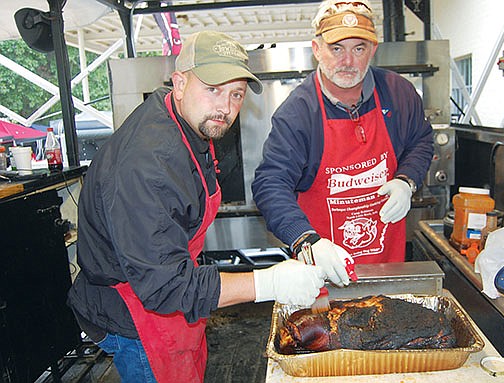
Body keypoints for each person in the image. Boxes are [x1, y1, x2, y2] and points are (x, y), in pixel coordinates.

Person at [67, 31, 327, 383]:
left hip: (168, 293)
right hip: (138, 314)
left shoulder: (184, 119)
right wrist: (269, 282)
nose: (225, 106)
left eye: (236, 94)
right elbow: (163, 286)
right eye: (213, 89)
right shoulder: (149, 164)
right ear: (179, 82)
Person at [252, 0, 434, 273]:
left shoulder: (399, 94)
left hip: (386, 265)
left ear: (372, 50)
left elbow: (421, 141)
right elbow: (270, 183)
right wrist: (305, 240)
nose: (347, 61)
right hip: (322, 266)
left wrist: (406, 180)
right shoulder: (298, 113)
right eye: (336, 48)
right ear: (317, 49)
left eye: (358, 48)